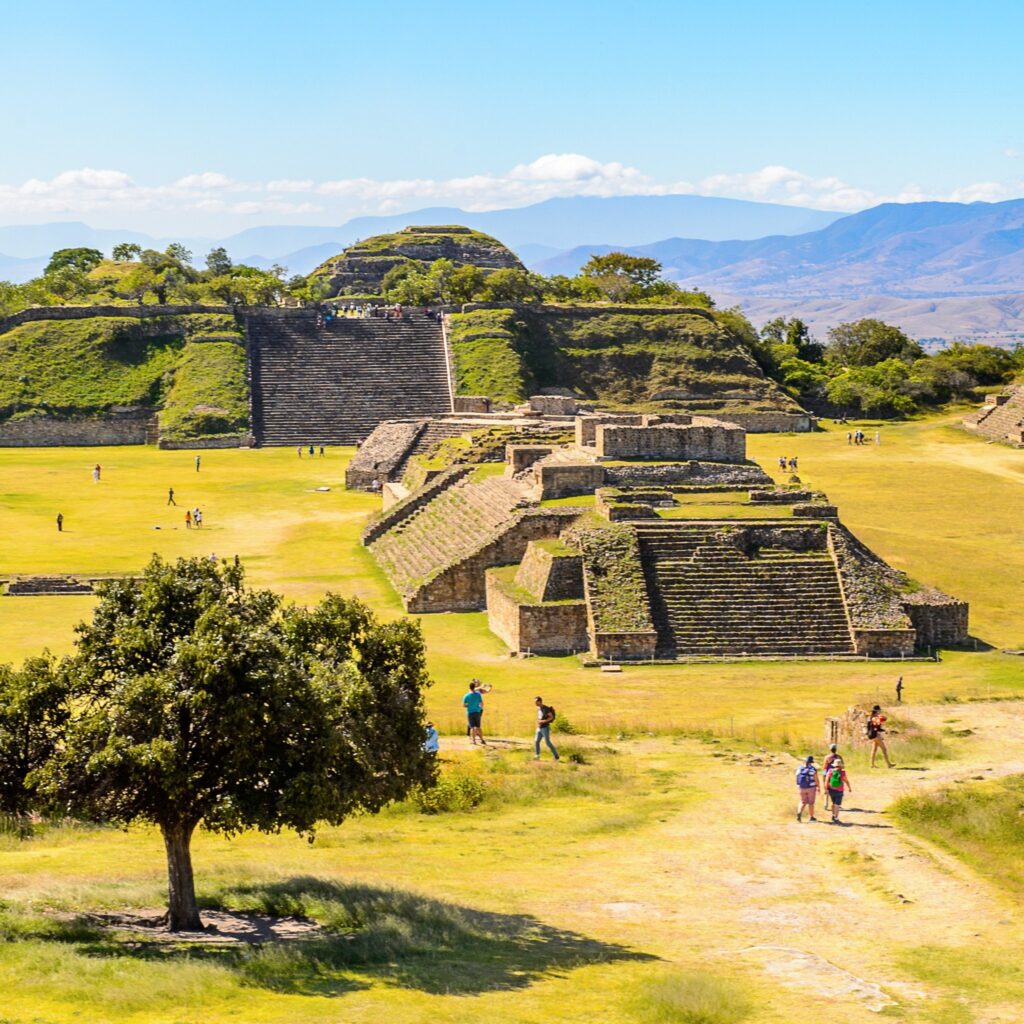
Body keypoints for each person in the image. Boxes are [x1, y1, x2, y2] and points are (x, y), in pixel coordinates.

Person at [825, 757, 852, 824]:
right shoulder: (842, 772)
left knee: (833, 803)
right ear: (841, 766)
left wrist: (826, 789)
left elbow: (826, 781)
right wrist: (849, 787)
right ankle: (836, 817)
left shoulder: (830, 771)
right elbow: (846, 781)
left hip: (831, 789)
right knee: (837, 804)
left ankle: (833, 815)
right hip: (839, 790)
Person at [534, 696, 560, 762]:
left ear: (540, 701)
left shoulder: (545, 708)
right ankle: (537, 756)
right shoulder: (538, 708)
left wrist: (544, 721)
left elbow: (551, 717)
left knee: (547, 742)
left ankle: (556, 755)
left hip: (545, 728)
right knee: (536, 741)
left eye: (536, 702)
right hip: (539, 728)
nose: (535, 703)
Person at [463, 680, 488, 746]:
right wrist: (479, 708)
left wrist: (469, 705)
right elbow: (482, 703)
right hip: (477, 712)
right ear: (474, 687)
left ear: (469, 687)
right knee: (478, 727)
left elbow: (464, 705)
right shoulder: (478, 695)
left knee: (472, 727)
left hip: (470, 712)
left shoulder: (466, 695)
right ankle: (482, 740)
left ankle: (474, 741)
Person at [795, 755, 819, 822]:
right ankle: (811, 817)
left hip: (802, 787)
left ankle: (799, 813)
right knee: (811, 803)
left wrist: (798, 785)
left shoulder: (800, 768)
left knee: (803, 801)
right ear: (811, 762)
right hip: (811, 788)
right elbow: (816, 779)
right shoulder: (813, 769)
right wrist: (818, 787)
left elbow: (797, 777)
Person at [821, 743, 840, 810]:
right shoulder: (839, 757)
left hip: (829, 775)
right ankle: (836, 803)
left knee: (827, 789)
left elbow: (824, 768)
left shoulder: (827, 757)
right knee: (836, 789)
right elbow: (842, 766)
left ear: (830, 749)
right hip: (836, 775)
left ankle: (826, 804)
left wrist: (823, 776)